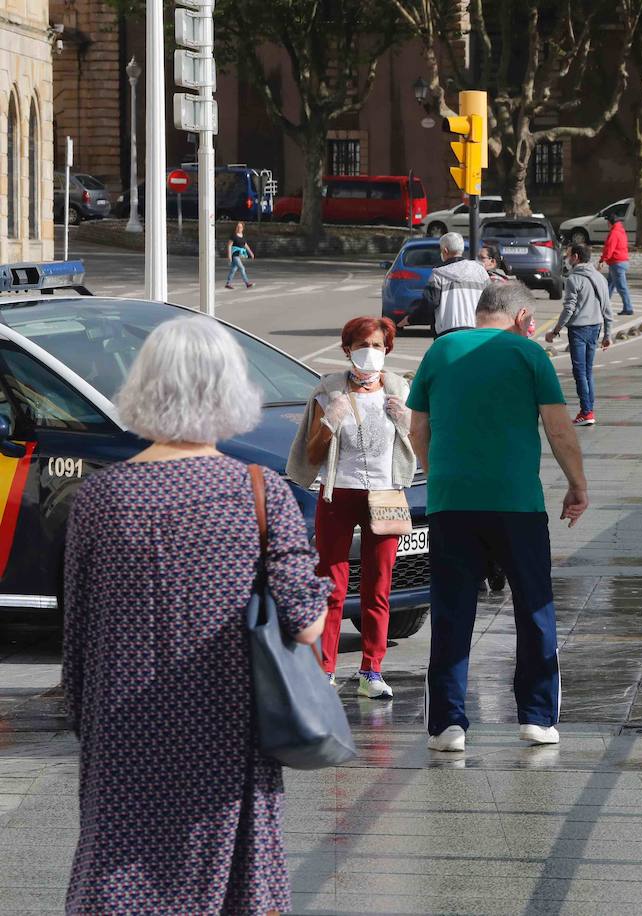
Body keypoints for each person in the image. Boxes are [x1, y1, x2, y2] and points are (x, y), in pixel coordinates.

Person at [62, 317, 330, 912]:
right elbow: (306, 624)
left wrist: (90, 726)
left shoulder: (100, 499)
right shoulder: (259, 493)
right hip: (228, 733)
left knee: (120, 877)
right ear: (230, 391)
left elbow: (77, 635)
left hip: (123, 729)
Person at [408, 283, 589, 752]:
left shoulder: (440, 350)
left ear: (479, 311)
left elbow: (417, 429)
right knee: (533, 607)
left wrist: (439, 473)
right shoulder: (530, 356)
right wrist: (577, 485)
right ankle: (535, 718)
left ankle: (448, 725)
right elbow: (558, 428)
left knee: (451, 611)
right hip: (516, 504)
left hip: (451, 503)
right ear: (523, 315)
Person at [287, 316, 416, 697]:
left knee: (379, 585)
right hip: (337, 493)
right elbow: (311, 452)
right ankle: (324, 668)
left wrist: (406, 421)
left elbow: (420, 442)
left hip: (387, 495)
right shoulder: (329, 390)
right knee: (331, 585)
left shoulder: (399, 389)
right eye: (362, 345)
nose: (370, 352)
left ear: (387, 349)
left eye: (377, 346)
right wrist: (330, 420)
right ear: (347, 349)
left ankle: (371, 670)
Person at [547, 243, 612, 427]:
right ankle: (589, 409)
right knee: (587, 371)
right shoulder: (600, 278)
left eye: (568, 256)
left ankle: (586, 411)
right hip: (596, 327)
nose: (567, 259)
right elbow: (607, 308)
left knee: (580, 372)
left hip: (578, 329)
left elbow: (569, 308)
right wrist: (608, 333)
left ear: (576, 257)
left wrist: (555, 330)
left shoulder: (574, 279)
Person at [418, 231, 490, 336]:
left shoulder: (438, 274)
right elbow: (491, 299)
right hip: (477, 330)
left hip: (449, 331)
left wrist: (410, 319)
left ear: (445, 250)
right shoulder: (480, 271)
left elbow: (429, 303)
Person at [600, 212, 633, 315]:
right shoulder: (621, 230)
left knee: (621, 287)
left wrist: (603, 260)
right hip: (620, 261)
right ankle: (604, 306)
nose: (607, 224)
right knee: (609, 285)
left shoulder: (614, 233)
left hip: (617, 263)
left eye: (607, 222)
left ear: (611, 222)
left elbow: (609, 248)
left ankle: (628, 308)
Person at [225, 221, 254, 289]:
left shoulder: (242, 236)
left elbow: (246, 245)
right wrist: (229, 256)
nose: (238, 228)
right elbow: (229, 246)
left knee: (234, 269)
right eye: (237, 227)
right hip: (234, 255)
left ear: (242, 228)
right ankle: (247, 283)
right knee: (242, 268)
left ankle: (228, 283)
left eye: (240, 227)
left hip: (239, 255)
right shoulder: (233, 236)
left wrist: (251, 253)